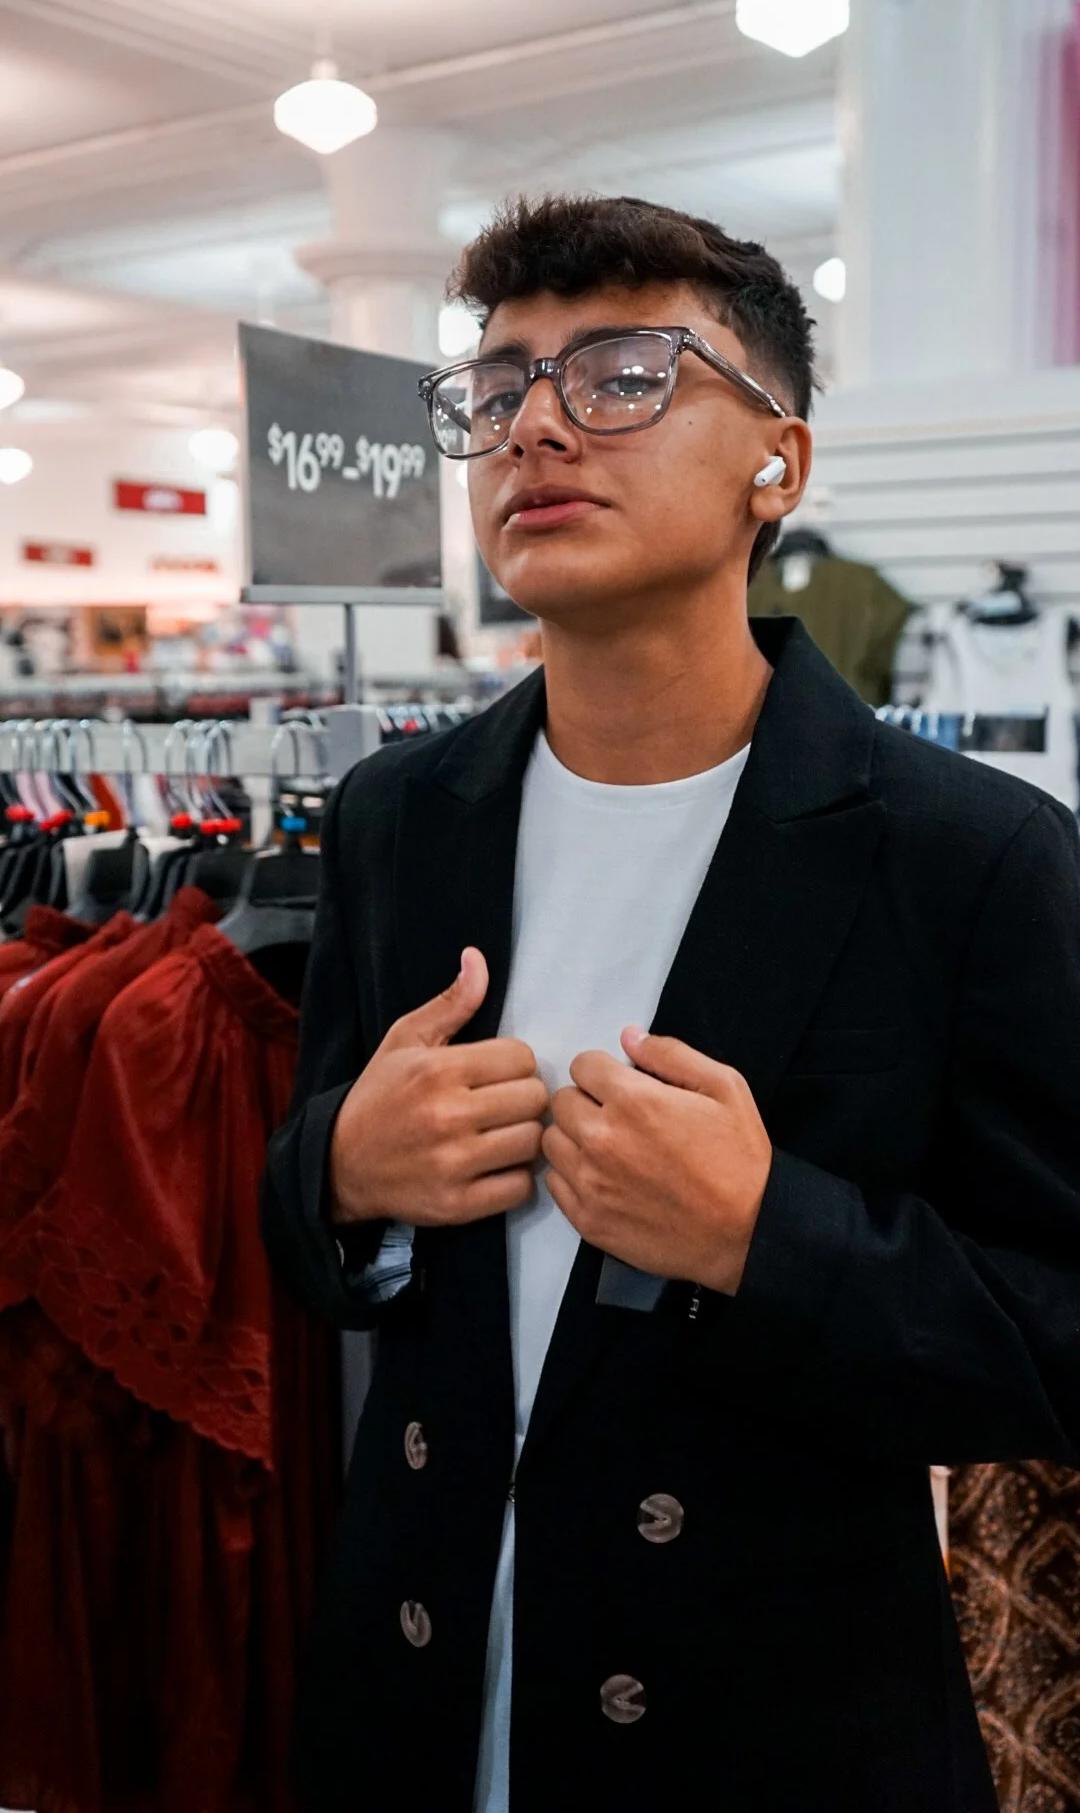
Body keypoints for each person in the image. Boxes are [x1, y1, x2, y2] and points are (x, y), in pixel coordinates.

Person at [261, 194, 1080, 1813]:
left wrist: (770, 1236)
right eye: (499, 386)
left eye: (625, 374)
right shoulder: (396, 817)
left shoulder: (970, 855)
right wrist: (344, 1171)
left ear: (779, 462)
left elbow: (1059, 1330)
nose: (537, 424)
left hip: (770, 1720)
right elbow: (302, 1224)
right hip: (413, 1684)